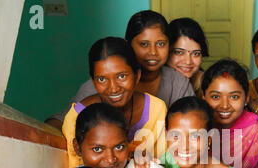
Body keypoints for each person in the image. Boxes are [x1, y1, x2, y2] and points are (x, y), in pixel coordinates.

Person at [45, 10, 194, 129]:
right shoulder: (99, 85)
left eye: (161, 44)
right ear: (128, 45)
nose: (153, 52)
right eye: (143, 44)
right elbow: (60, 122)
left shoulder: (178, 83)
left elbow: (193, 126)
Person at [60, 37, 167, 168]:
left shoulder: (156, 110)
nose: (114, 88)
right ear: (93, 82)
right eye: (102, 79)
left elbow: (161, 166)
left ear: (137, 75)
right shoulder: (76, 118)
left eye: (121, 76)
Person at [201, 58, 258, 168]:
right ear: (204, 97)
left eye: (234, 97)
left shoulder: (255, 128)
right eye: (216, 97)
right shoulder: (198, 124)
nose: (224, 105)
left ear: (247, 98)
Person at [167, 17, 209, 97]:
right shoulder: (155, 83)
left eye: (196, 53)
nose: (188, 62)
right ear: (166, 51)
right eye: (179, 52)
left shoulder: (209, 83)